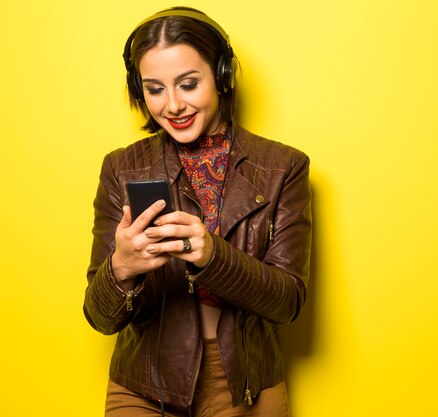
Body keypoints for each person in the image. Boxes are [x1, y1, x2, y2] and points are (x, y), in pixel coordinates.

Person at [83, 7, 312, 417]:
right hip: (142, 385)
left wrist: (212, 255)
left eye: (188, 84)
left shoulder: (284, 167)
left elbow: (287, 303)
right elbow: (99, 318)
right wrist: (120, 267)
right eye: (154, 90)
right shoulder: (121, 167)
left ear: (222, 77)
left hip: (245, 385)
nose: (173, 105)